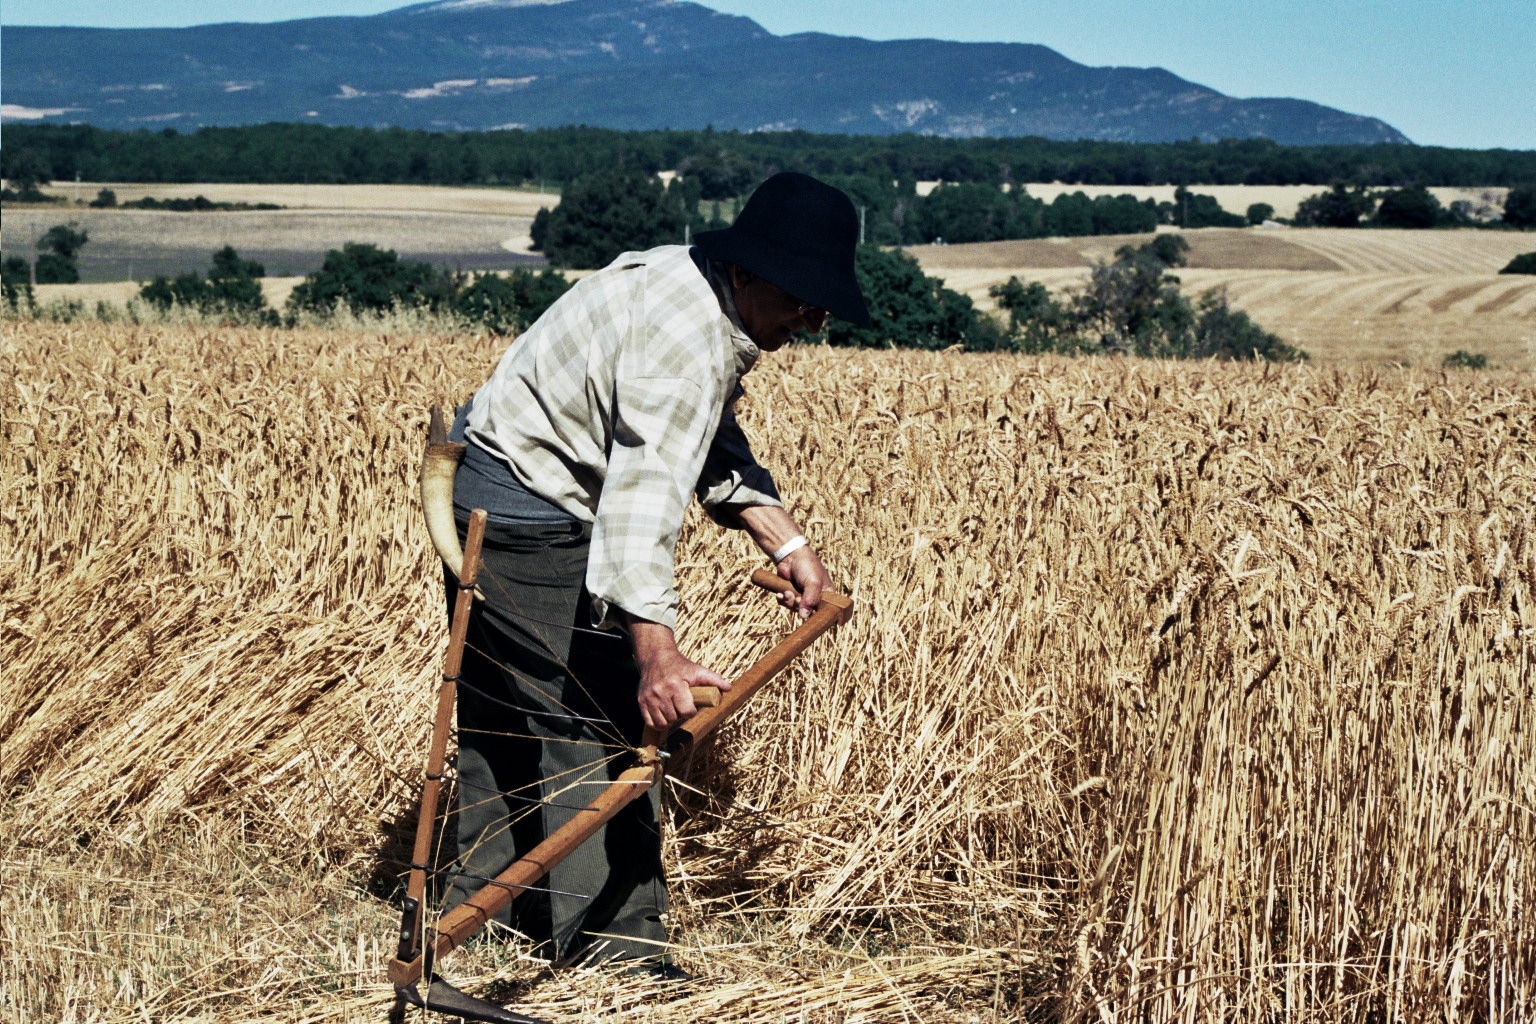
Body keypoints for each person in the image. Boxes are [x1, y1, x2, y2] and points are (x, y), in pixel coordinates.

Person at [442, 172, 869, 977]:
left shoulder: (696, 286)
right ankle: (619, 955)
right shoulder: (684, 345)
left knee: (505, 708)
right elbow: (637, 509)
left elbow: (709, 434)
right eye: (801, 297)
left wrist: (783, 539)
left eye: (822, 303)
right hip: (527, 505)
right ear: (744, 272)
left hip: (485, 484)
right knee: (594, 726)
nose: (810, 319)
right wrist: (655, 654)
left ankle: (485, 905)